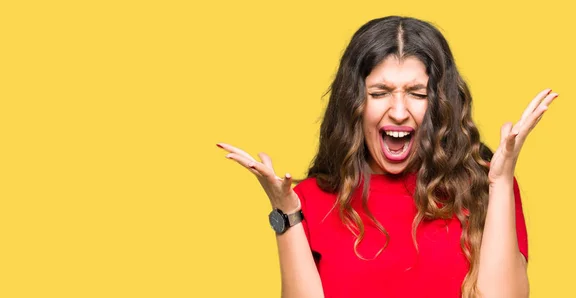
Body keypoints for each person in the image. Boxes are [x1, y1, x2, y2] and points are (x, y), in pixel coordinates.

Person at [217, 16, 557, 298]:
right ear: (354, 103)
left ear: (440, 103)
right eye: (379, 93)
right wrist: (286, 214)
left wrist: (499, 181)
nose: (398, 111)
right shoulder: (307, 201)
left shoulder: (486, 188)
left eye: (417, 93)